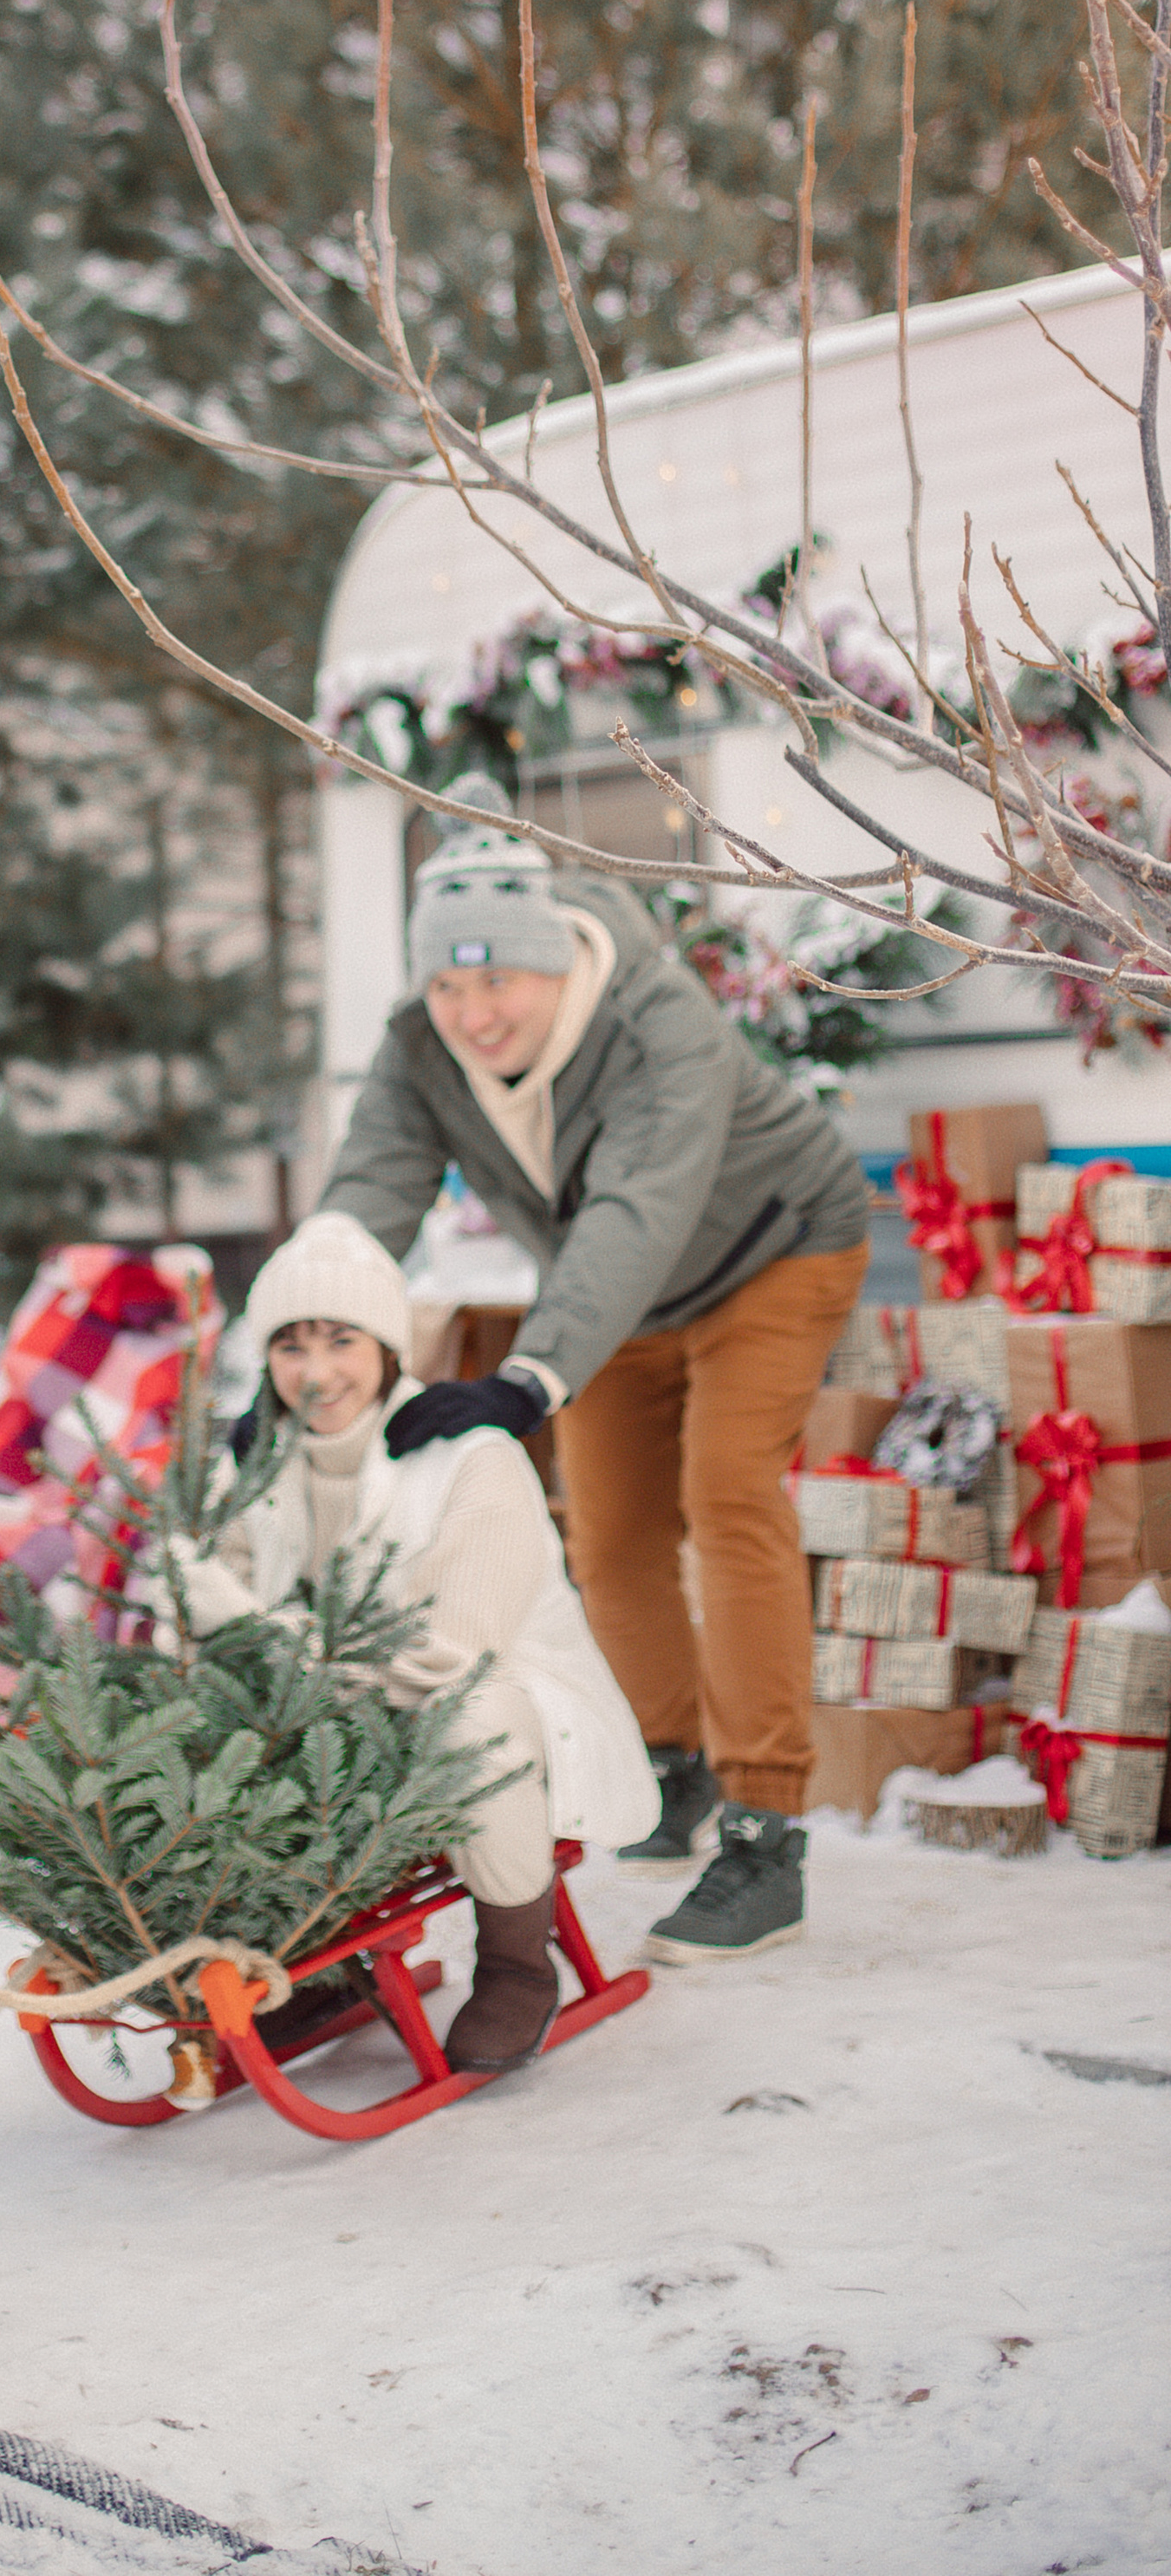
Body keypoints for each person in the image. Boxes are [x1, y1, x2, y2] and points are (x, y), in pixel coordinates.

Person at [320, 796, 869, 1966]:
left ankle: (767, 1834)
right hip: (620, 1292)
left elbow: (636, 1209)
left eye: (499, 985)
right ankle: (675, 1770)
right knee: (611, 1533)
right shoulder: (423, 1046)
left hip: (776, 1248)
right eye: (450, 990)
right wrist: (312, 1332)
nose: (474, 1016)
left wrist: (527, 1380)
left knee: (726, 1496)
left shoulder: (658, 1020)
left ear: (557, 960)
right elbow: (370, 1193)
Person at [185, 1211, 659, 2073]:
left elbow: (446, 1652)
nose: (317, 1373)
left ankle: (518, 1963)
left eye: (341, 1341)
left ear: (388, 1348)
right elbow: (212, 1627)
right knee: (222, 1727)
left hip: (489, 1694)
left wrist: (254, 1628)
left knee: (468, 1720)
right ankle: (314, 1962)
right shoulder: (255, 1467)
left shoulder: (471, 1459)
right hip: (332, 1702)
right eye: (290, 1346)